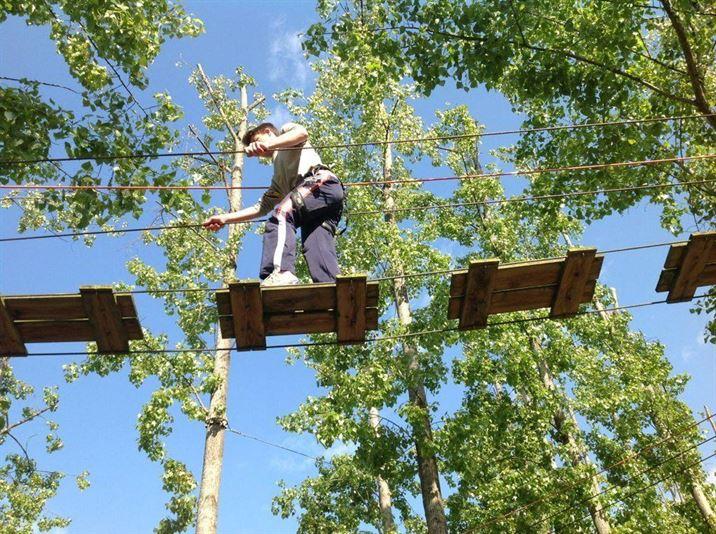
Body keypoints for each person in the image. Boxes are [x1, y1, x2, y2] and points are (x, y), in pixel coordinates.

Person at [203, 122, 344, 286]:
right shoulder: (279, 181)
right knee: (315, 245)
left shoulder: (286, 132)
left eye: (257, 139)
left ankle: (282, 273)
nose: (258, 150)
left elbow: (302, 133)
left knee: (281, 213)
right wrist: (225, 219)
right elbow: (260, 208)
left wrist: (268, 144)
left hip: (322, 183)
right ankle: (330, 286)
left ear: (268, 132)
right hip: (317, 202)